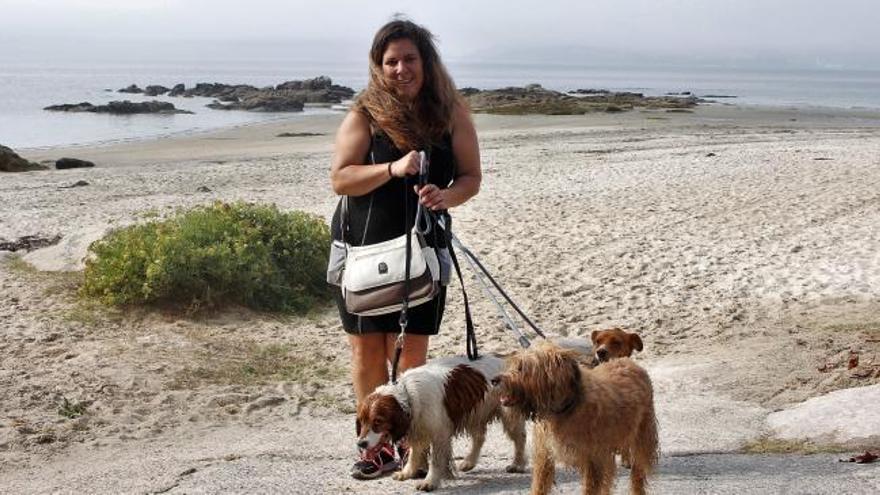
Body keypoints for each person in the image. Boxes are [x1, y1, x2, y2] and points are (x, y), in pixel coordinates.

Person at [329, 17, 482, 479]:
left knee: (411, 357)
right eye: (390, 61)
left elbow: (471, 179)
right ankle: (374, 447)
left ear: (426, 61)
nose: (400, 68)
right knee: (366, 355)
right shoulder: (364, 114)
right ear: (379, 66)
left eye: (409, 59)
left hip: (423, 249)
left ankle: (411, 447)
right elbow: (341, 177)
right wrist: (393, 169)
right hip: (362, 251)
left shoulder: (452, 113)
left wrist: (447, 196)